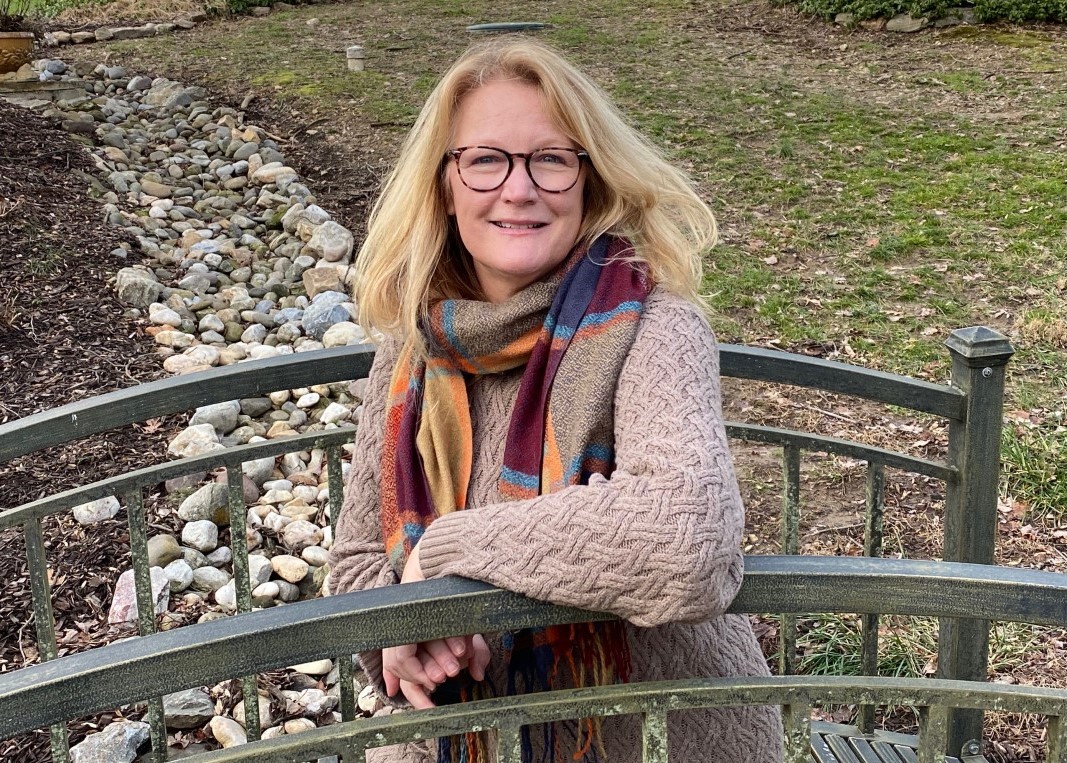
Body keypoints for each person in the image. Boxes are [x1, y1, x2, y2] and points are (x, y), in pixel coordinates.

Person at [327, 36, 783, 763]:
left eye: (550, 158)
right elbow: (355, 564)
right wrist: (408, 630)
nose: (519, 189)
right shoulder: (409, 349)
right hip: (471, 733)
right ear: (443, 185)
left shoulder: (653, 326)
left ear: (588, 181)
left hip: (657, 740)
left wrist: (443, 556)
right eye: (485, 160)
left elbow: (688, 538)